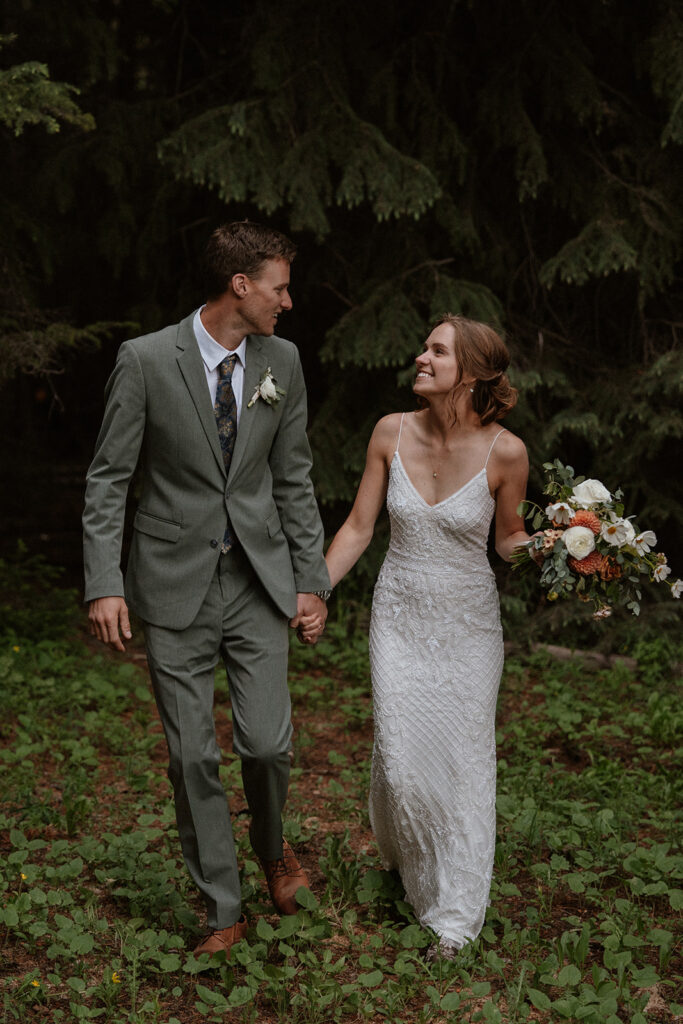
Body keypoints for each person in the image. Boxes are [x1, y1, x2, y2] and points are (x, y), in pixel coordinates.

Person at [82, 221, 332, 957]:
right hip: (170, 585)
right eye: (280, 287)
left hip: (257, 582)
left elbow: (293, 479)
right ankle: (224, 906)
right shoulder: (146, 360)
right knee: (192, 755)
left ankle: (273, 847)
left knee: (266, 744)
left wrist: (310, 582)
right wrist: (103, 582)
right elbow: (109, 479)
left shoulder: (279, 359)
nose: (289, 301)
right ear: (241, 285)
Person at [319, 313, 531, 957]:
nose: (421, 357)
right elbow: (359, 527)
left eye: (437, 351)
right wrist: (314, 590)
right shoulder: (391, 432)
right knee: (401, 759)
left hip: (468, 623)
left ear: (470, 372)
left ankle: (455, 913)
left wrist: (569, 554)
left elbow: (507, 539)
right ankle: (411, 859)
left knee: (464, 760)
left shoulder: (508, 451)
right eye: (424, 347)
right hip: (400, 615)